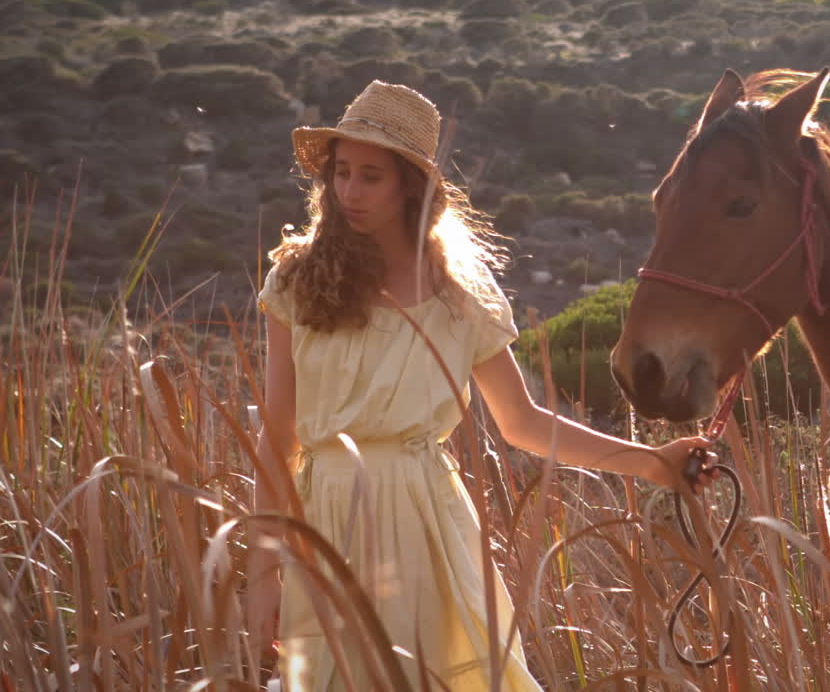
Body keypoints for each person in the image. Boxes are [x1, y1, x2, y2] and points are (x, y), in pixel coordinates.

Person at [246, 80, 719, 691]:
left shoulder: (461, 299)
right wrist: (262, 575)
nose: (348, 192)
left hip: (425, 523)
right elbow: (278, 436)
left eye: (371, 176)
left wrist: (653, 463)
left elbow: (521, 423)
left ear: (410, 187)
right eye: (341, 173)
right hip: (326, 519)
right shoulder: (296, 280)